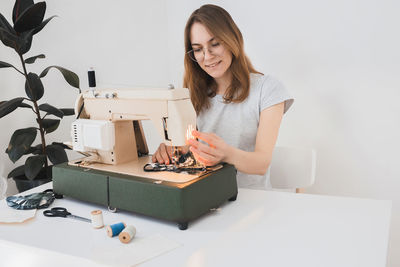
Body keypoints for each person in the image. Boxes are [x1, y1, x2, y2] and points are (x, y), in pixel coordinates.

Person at [152, 4, 293, 189]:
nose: (207, 56)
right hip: (205, 195)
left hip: (252, 200)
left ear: (232, 40)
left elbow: (261, 163)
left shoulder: (267, 89)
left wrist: (226, 154)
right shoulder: (192, 94)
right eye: (198, 49)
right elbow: (188, 149)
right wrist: (172, 151)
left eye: (215, 44)